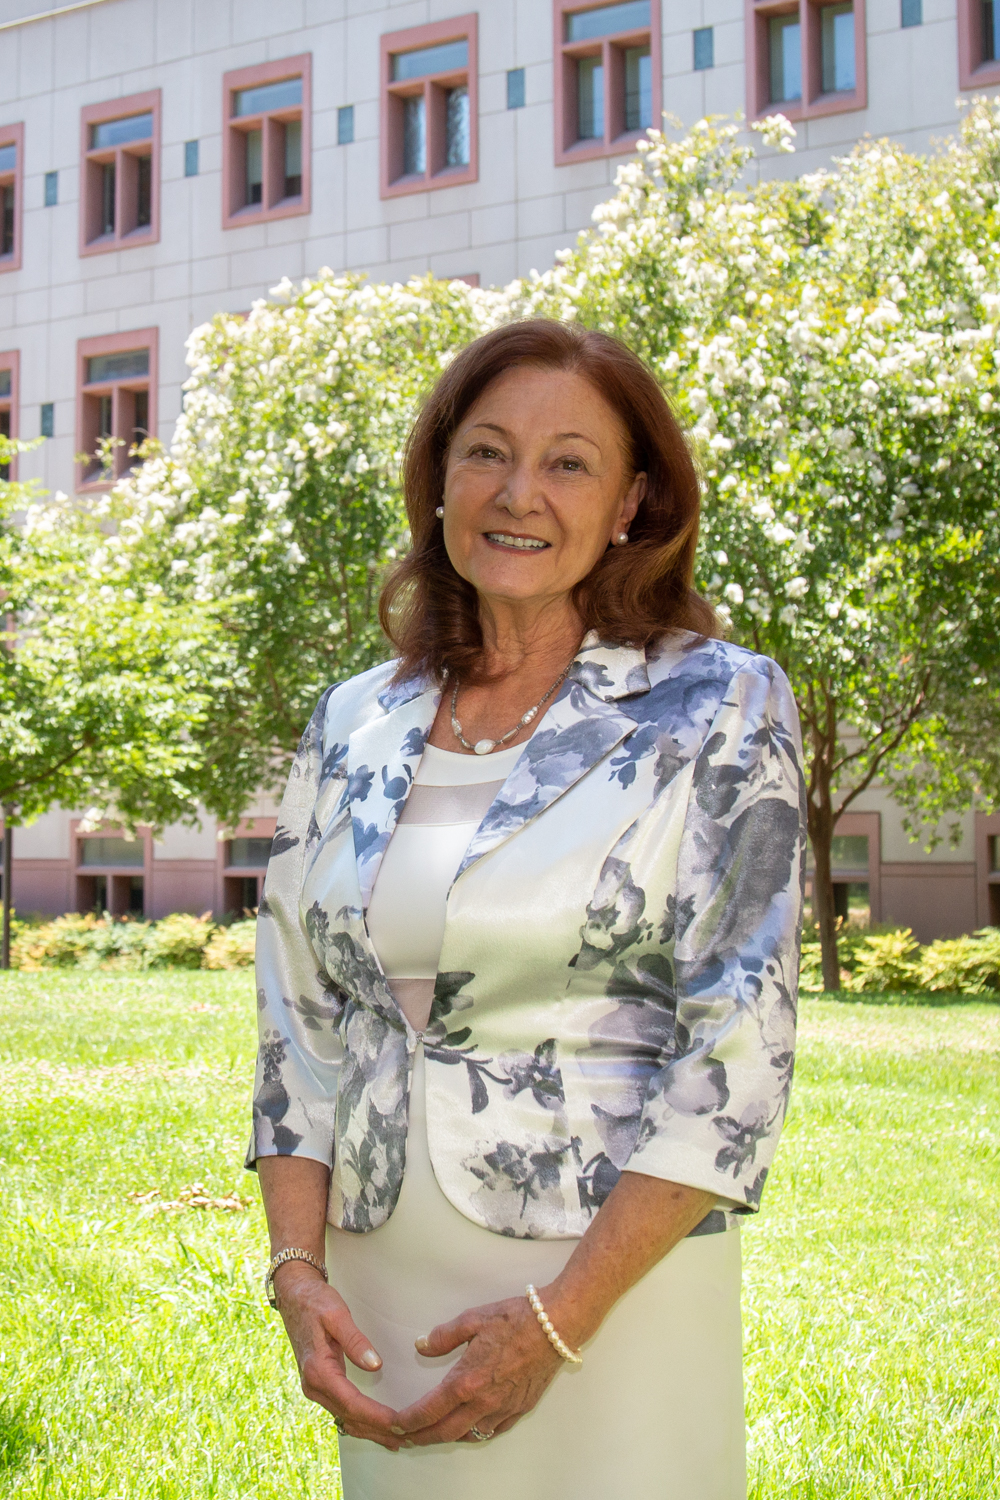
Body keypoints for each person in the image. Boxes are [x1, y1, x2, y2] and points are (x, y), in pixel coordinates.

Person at [248, 319, 805, 1500]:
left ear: (631, 503)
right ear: (440, 477)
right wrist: (297, 1272)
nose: (519, 492)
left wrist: (559, 1323)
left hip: (608, 1292)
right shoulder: (354, 719)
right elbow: (299, 1025)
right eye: (487, 451)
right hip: (381, 1287)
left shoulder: (717, 703)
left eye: (569, 462)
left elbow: (737, 1052)